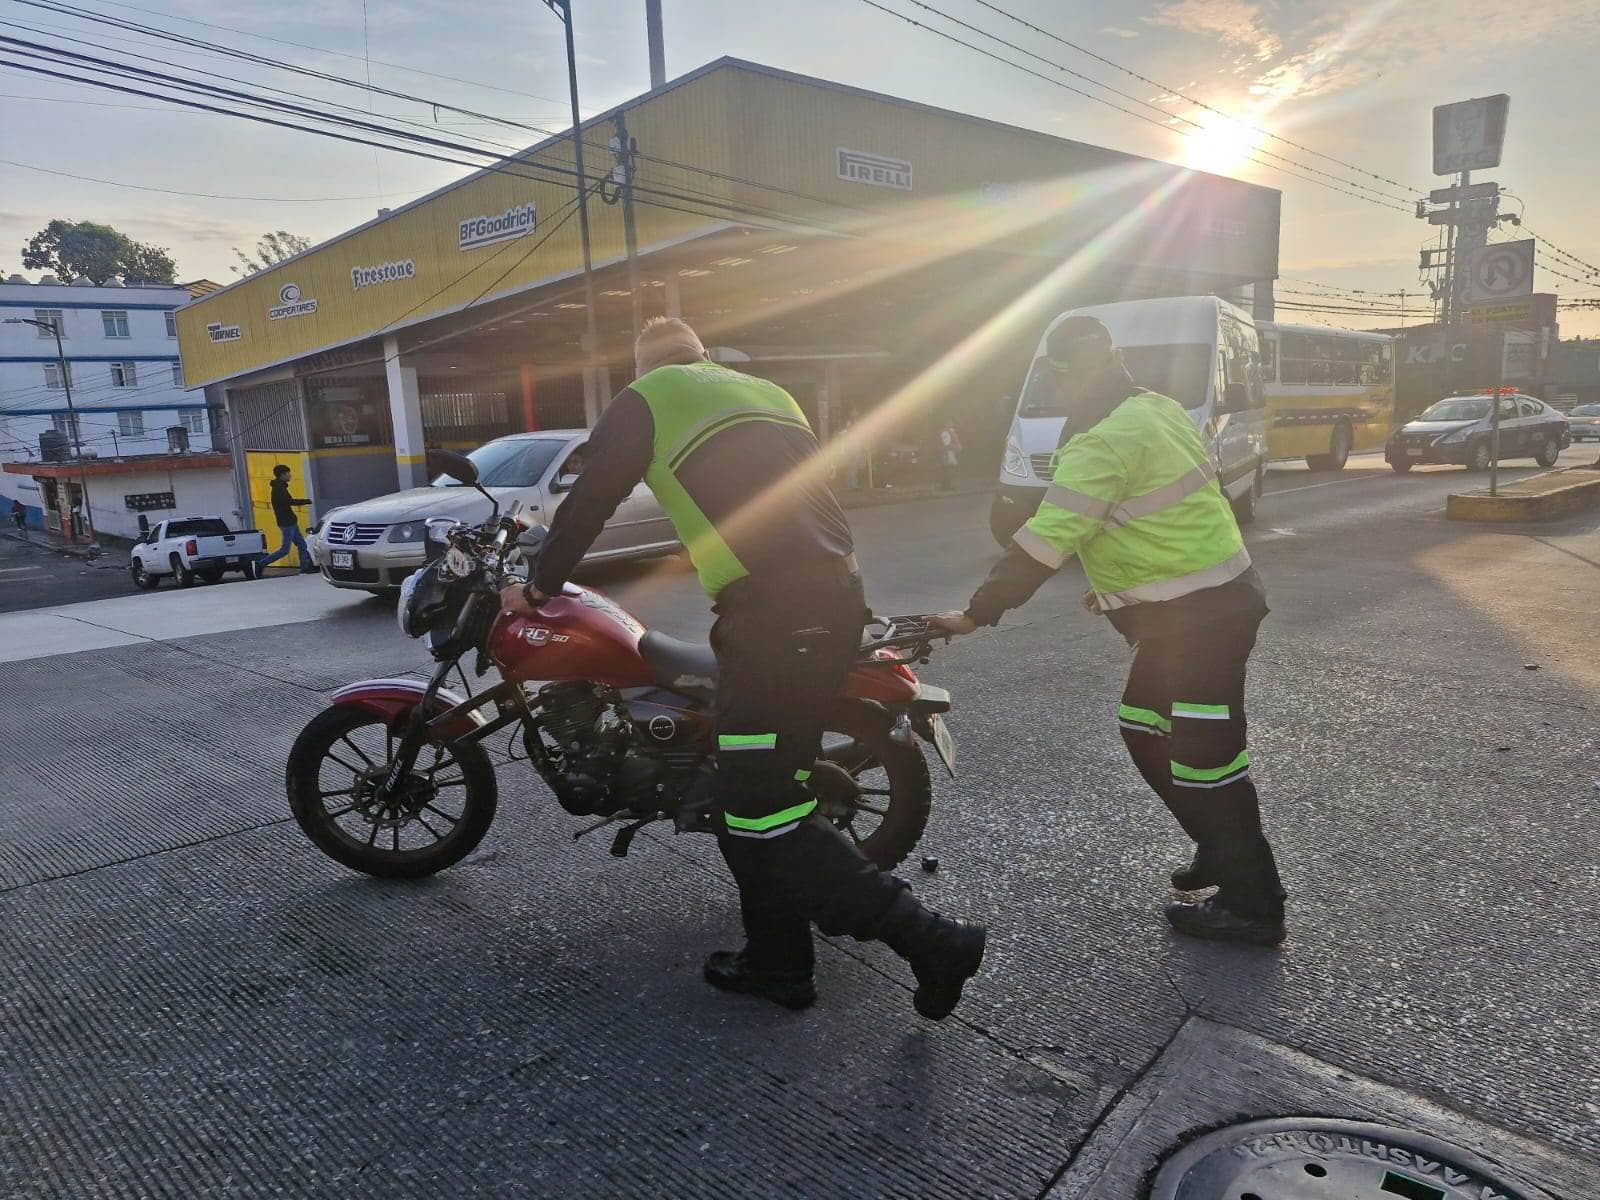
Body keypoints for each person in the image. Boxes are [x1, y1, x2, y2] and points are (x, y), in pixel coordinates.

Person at [500, 316, 985, 1016]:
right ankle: (780, 962)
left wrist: (540, 584)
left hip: (778, 617)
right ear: (703, 357)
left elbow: (591, 498)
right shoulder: (767, 393)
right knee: (753, 801)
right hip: (831, 600)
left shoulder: (652, 396)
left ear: (645, 367)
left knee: (760, 807)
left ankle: (933, 941)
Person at [931, 315, 1286, 946]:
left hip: (1200, 621)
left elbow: (1048, 540)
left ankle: (1253, 904)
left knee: (1208, 763)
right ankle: (1217, 844)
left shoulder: (1101, 442)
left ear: (1069, 375)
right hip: (1203, 609)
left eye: (1058, 378)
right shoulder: (1160, 408)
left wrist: (976, 613)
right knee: (1144, 728)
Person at [260, 464, 316, 573]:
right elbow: (288, 502)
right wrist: (305, 501)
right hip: (286, 523)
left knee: (301, 544)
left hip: (290, 521)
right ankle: (260, 564)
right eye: (288, 473)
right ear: (282, 475)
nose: (290, 475)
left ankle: (305, 568)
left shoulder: (281, 487)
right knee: (285, 549)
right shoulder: (278, 489)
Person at [937, 422, 962, 491]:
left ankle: (946, 485)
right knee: (948, 469)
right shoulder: (945, 432)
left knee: (947, 469)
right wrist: (955, 447)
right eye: (949, 423)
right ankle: (947, 486)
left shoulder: (948, 432)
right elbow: (947, 444)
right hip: (948, 453)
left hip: (949, 453)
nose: (951, 425)